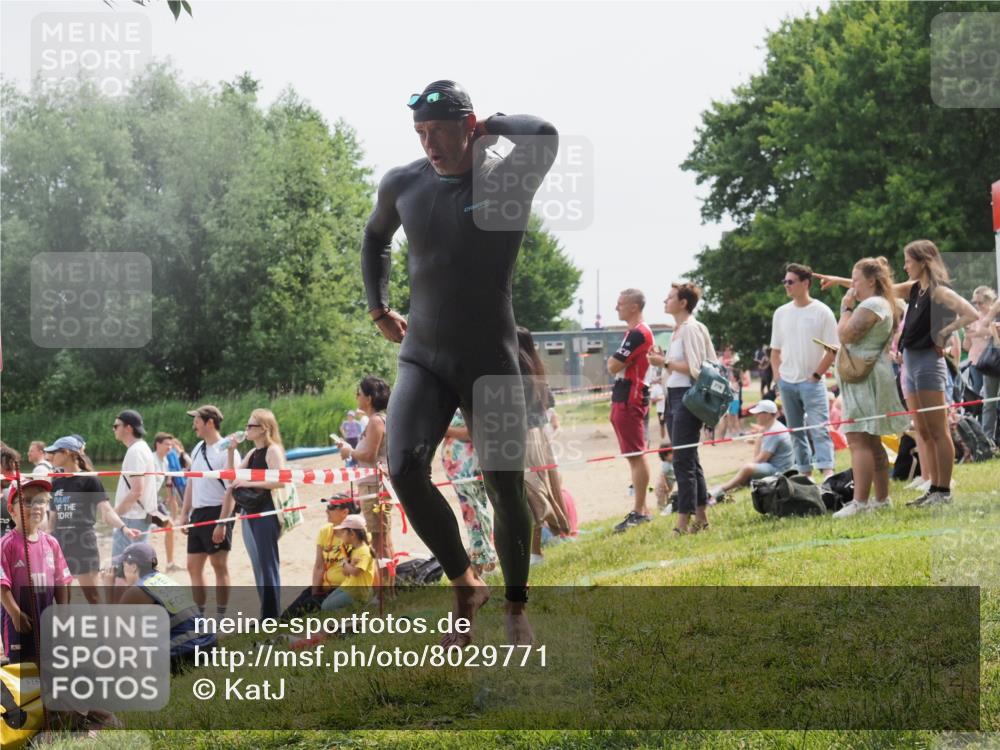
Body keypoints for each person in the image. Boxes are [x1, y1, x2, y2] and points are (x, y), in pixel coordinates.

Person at [362, 80, 556, 645]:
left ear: (468, 126)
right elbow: (375, 239)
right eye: (420, 134)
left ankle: (516, 606)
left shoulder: (504, 178)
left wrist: (488, 125)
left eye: (440, 132)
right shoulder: (403, 183)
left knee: (504, 486)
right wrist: (378, 308)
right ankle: (464, 582)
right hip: (422, 356)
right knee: (403, 469)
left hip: (489, 359)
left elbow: (543, 132)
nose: (429, 144)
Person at [819, 241, 978, 506]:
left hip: (928, 362)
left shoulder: (939, 291)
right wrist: (840, 281)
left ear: (923, 261)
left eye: (908, 261)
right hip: (911, 364)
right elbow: (879, 286)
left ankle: (943, 489)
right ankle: (933, 487)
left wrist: (942, 334)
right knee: (923, 431)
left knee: (938, 429)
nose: (904, 266)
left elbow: (970, 313)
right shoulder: (915, 288)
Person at [828, 258, 914, 517]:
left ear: (870, 281)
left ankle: (860, 503)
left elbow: (845, 335)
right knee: (871, 438)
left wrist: (845, 309)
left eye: (855, 279)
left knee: (858, 437)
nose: (851, 285)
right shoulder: (880, 303)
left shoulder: (873, 304)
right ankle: (881, 498)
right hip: (867, 374)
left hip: (865, 377)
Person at [648, 283, 717, 535]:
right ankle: (701, 517)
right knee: (690, 460)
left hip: (688, 397)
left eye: (669, 297)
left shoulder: (691, 329)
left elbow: (696, 367)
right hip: (675, 396)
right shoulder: (677, 330)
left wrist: (663, 361)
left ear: (683, 302)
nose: (665, 301)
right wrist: (663, 361)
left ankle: (682, 522)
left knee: (682, 462)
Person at [46, 435, 141, 603]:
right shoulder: (56, 481)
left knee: (93, 597)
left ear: (67, 453)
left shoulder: (90, 479)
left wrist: (124, 528)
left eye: (54, 452)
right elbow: (52, 518)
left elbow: (106, 510)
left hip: (83, 543)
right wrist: (44, 539)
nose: (50, 456)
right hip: (59, 543)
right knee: (61, 599)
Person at [101, 542, 216, 673]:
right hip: (208, 645)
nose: (121, 569)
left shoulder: (137, 590)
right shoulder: (164, 579)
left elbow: (112, 628)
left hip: (186, 655)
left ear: (133, 567)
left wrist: (107, 589)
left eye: (123, 565)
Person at [769, 263, 838, 479]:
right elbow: (775, 352)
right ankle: (805, 474)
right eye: (785, 282)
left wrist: (816, 376)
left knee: (819, 428)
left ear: (805, 283)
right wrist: (778, 379)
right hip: (787, 382)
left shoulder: (822, 311)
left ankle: (827, 472)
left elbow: (832, 349)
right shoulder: (780, 313)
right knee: (795, 432)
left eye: (790, 281)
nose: (786, 285)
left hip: (812, 382)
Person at [219, 409, 287, 621]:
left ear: (263, 429)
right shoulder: (251, 453)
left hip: (265, 511)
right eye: (247, 426)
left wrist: (249, 483)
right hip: (249, 511)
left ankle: (271, 616)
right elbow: (231, 478)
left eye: (250, 426)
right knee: (258, 564)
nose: (246, 429)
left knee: (268, 564)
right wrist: (231, 451)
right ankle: (265, 614)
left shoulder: (272, 450)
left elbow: (281, 480)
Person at [1, 476, 73, 664]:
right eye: (27, 501)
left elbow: (62, 581)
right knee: (22, 668)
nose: (36, 506)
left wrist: (63, 612)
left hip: (46, 616)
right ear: (11, 510)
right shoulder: (6, 545)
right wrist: (15, 614)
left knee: (47, 662)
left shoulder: (52, 543)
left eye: (41, 501)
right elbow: (2, 585)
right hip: (19, 619)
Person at [179, 405, 238, 618]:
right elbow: (191, 483)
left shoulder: (227, 450)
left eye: (197, 420)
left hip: (218, 511)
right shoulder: (197, 448)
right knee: (192, 566)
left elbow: (232, 488)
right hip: (198, 512)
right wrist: (184, 512)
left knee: (218, 565)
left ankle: (221, 616)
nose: (193, 424)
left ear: (209, 422)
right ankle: (200, 616)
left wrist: (222, 522)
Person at [517, 326, 569, 560]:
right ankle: (545, 538)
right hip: (538, 435)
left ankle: (535, 551)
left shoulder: (519, 374)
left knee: (532, 493)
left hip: (527, 436)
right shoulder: (535, 370)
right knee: (537, 489)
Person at [608, 288, 655, 533]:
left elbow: (613, 364)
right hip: (624, 396)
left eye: (620, 303)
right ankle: (641, 508)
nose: (617, 308)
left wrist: (613, 363)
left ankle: (640, 510)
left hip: (631, 397)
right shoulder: (633, 332)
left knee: (636, 454)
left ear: (634, 306)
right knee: (633, 455)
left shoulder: (639, 333)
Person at [339, 377, 392, 578]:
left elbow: (370, 455)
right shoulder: (377, 420)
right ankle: (387, 588)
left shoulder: (376, 421)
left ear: (368, 398)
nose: (356, 397)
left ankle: (386, 591)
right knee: (382, 539)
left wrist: (350, 451)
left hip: (374, 487)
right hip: (373, 485)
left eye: (359, 393)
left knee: (379, 541)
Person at [280, 494, 359, 619]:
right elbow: (319, 566)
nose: (327, 510)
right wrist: (315, 592)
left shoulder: (357, 533)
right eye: (327, 506)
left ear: (345, 512)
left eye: (331, 507)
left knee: (308, 607)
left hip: (342, 588)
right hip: (325, 585)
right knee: (292, 610)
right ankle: (275, 624)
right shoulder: (325, 531)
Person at [440, 410, 498, 577]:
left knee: (476, 513)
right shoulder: (451, 405)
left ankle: (487, 561)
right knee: (471, 515)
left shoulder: (467, 404)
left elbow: (470, 433)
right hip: (457, 469)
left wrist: (446, 430)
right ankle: (481, 559)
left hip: (468, 467)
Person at [709, 399, 794, 501]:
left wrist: (747, 467)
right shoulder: (771, 428)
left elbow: (761, 459)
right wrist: (759, 436)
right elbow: (758, 458)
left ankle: (720, 489)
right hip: (777, 466)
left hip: (780, 471)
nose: (755, 416)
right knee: (747, 469)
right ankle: (727, 489)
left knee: (747, 468)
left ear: (767, 414)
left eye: (758, 413)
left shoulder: (773, 432)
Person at [111, 410, 158, 558]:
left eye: (116, 425)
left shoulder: (135, 451)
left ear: (128, 428)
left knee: (121, 567)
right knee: (135, 567)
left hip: (132, 517)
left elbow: (137, 490)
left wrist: (115, 513)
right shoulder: (142, 448)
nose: (113, 429)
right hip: (139, 516)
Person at [320, 514, 377, 612]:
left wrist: (345, 563)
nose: (341, 536)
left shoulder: (364, 551)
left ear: (352, 534)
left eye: (343, 533)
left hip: (357, 591)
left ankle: (357, 607)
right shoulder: (353, 549)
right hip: (348, 586)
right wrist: (347, 564)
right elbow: (345, 573)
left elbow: (355, 572)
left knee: (325, 607)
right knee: (325, 603)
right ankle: (356, 607)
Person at [964, 286, 1000, 439]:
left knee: (990, 401)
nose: (977, 306)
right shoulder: (979, 316)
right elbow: (967, 343)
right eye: (974, 302)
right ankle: (987, 439)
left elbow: (986, 331)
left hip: (989, 359)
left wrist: (980, 331)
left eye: (979, 302)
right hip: (987, 363)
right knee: (987, 402)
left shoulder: (992, 313)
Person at [653, 444, 675, 515]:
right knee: (662, 500)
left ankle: (667, 510)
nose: (674, 455)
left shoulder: (671, 463)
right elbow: (662, 476)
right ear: (665, 456)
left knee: (668, 499)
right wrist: (664, 485)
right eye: (672, 453)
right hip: (661, 487)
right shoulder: (666, 464)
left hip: (668, 486)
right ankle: (661, 511)